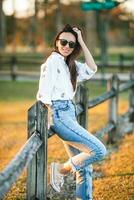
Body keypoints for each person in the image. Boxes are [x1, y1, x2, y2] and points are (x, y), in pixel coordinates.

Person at [36, 24, 107, 200]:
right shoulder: (52, 62)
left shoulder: (70, 64)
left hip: (69, 112)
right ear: (57, 42)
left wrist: (81, 40)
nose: (67, 46)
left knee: (84, 165)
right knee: (98, 150)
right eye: (63, 42)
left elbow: (92, 69)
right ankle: (60, 170)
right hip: (59, 115)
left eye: (71, 44)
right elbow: (43, 94)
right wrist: (49, 117)